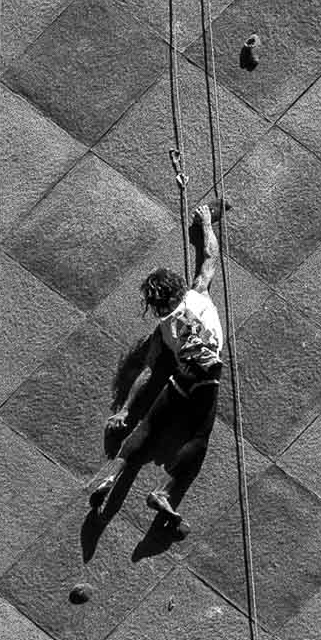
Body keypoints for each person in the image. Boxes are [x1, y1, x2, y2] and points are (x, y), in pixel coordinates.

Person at [88, 200, 229, 524]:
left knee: (147, 427)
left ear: (156, 304)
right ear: (177, 285)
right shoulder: (198, 294)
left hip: (178, 381)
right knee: (198, 438)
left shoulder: (162, 330)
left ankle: (111, 475)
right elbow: (210, 256)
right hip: (205, 380)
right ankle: (163, 492)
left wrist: (125, 408)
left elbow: (149, 372)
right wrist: (206, 223)